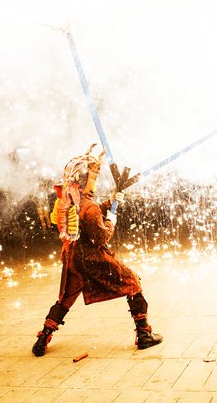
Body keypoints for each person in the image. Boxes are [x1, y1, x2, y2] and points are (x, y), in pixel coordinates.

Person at [32, 145, 163, 356]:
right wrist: (111, 221)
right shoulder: (87, 206)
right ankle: (144, 335)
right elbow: (99, 237)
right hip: (91, 258)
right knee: (133, 283)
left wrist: (110, 202)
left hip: (72, 257)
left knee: (65, 299)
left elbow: (87, 212)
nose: (94, 181)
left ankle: (42, 339)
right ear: (84, 181)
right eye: (91, 178)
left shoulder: (69, 199)